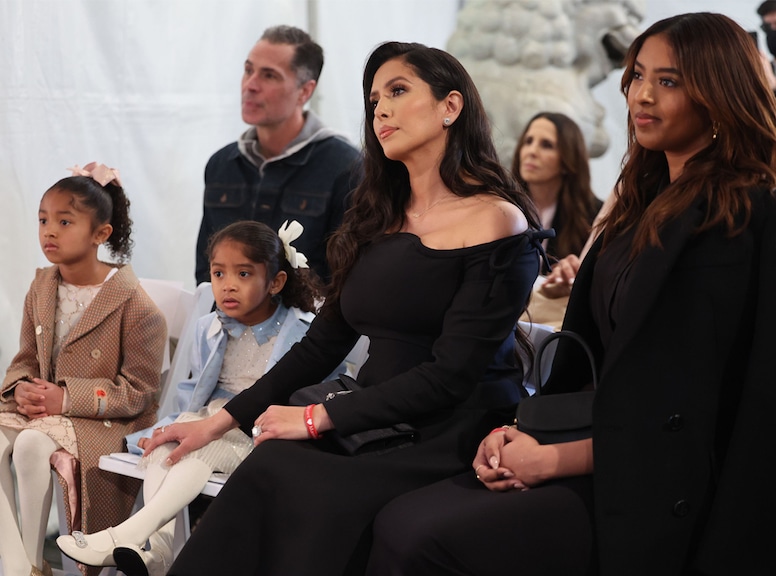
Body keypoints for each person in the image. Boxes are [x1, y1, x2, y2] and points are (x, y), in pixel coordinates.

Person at [367, 12, 776, 576]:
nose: (642, 95)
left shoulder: (741, 214)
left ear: (719, 91)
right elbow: (591, 365)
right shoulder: (645, 201)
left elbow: (691, 406)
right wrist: (521, 432)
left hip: (662, 480)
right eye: (636, 75)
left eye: (669, 80)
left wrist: (554, 458)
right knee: (397, 518)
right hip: (601, 442)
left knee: (424, 536)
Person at [143, 41, 545, 575]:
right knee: (270, 466)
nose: (380, 109)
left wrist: (316, 418)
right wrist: (216, 424)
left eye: (398, 92)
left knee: (311, 488)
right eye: (374, 98)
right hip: (374, 415)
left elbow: (451, 376)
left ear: (451, 107)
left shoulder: (497, 220)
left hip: (453, 426)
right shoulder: (376, 216)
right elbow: (322, 345)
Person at [56, 219, 333, 576]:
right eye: (218, 274)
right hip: (208, 420)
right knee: (168, 441)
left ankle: (126, 535)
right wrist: (172, 425)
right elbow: (194, 392)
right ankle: (156, 553)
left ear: (276, 281)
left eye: (244, 274)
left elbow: (310, 395)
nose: (228, 285)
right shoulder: (211, 327)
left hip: (261, 431)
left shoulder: (302, 333)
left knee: (195, 443)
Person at [0, 163, 166, 576]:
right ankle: (23, 566)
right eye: (43, 220)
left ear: (101, 234)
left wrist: (67, 397)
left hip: (105, 421)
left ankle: (34, 562)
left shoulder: (135, 305)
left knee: (31, 445)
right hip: (47, 412)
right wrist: (20, 387)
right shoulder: (42, 286)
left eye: (64, 221)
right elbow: (27, 359)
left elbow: (141, 392)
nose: (49, 231)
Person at [195, 25, 362, 285]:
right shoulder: (222, 164)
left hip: (308, 324)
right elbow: (205, 271)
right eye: (248, 70)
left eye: (269, 76)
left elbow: (347, 279)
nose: (250, 85)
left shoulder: (345, 167)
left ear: (305, 91)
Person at [511, 111, 602, 327]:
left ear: (567, 159)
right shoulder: (502, 205)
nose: (532, 151)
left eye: (546, 145)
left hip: (556, 326)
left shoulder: (594, 217)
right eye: (528, 141)